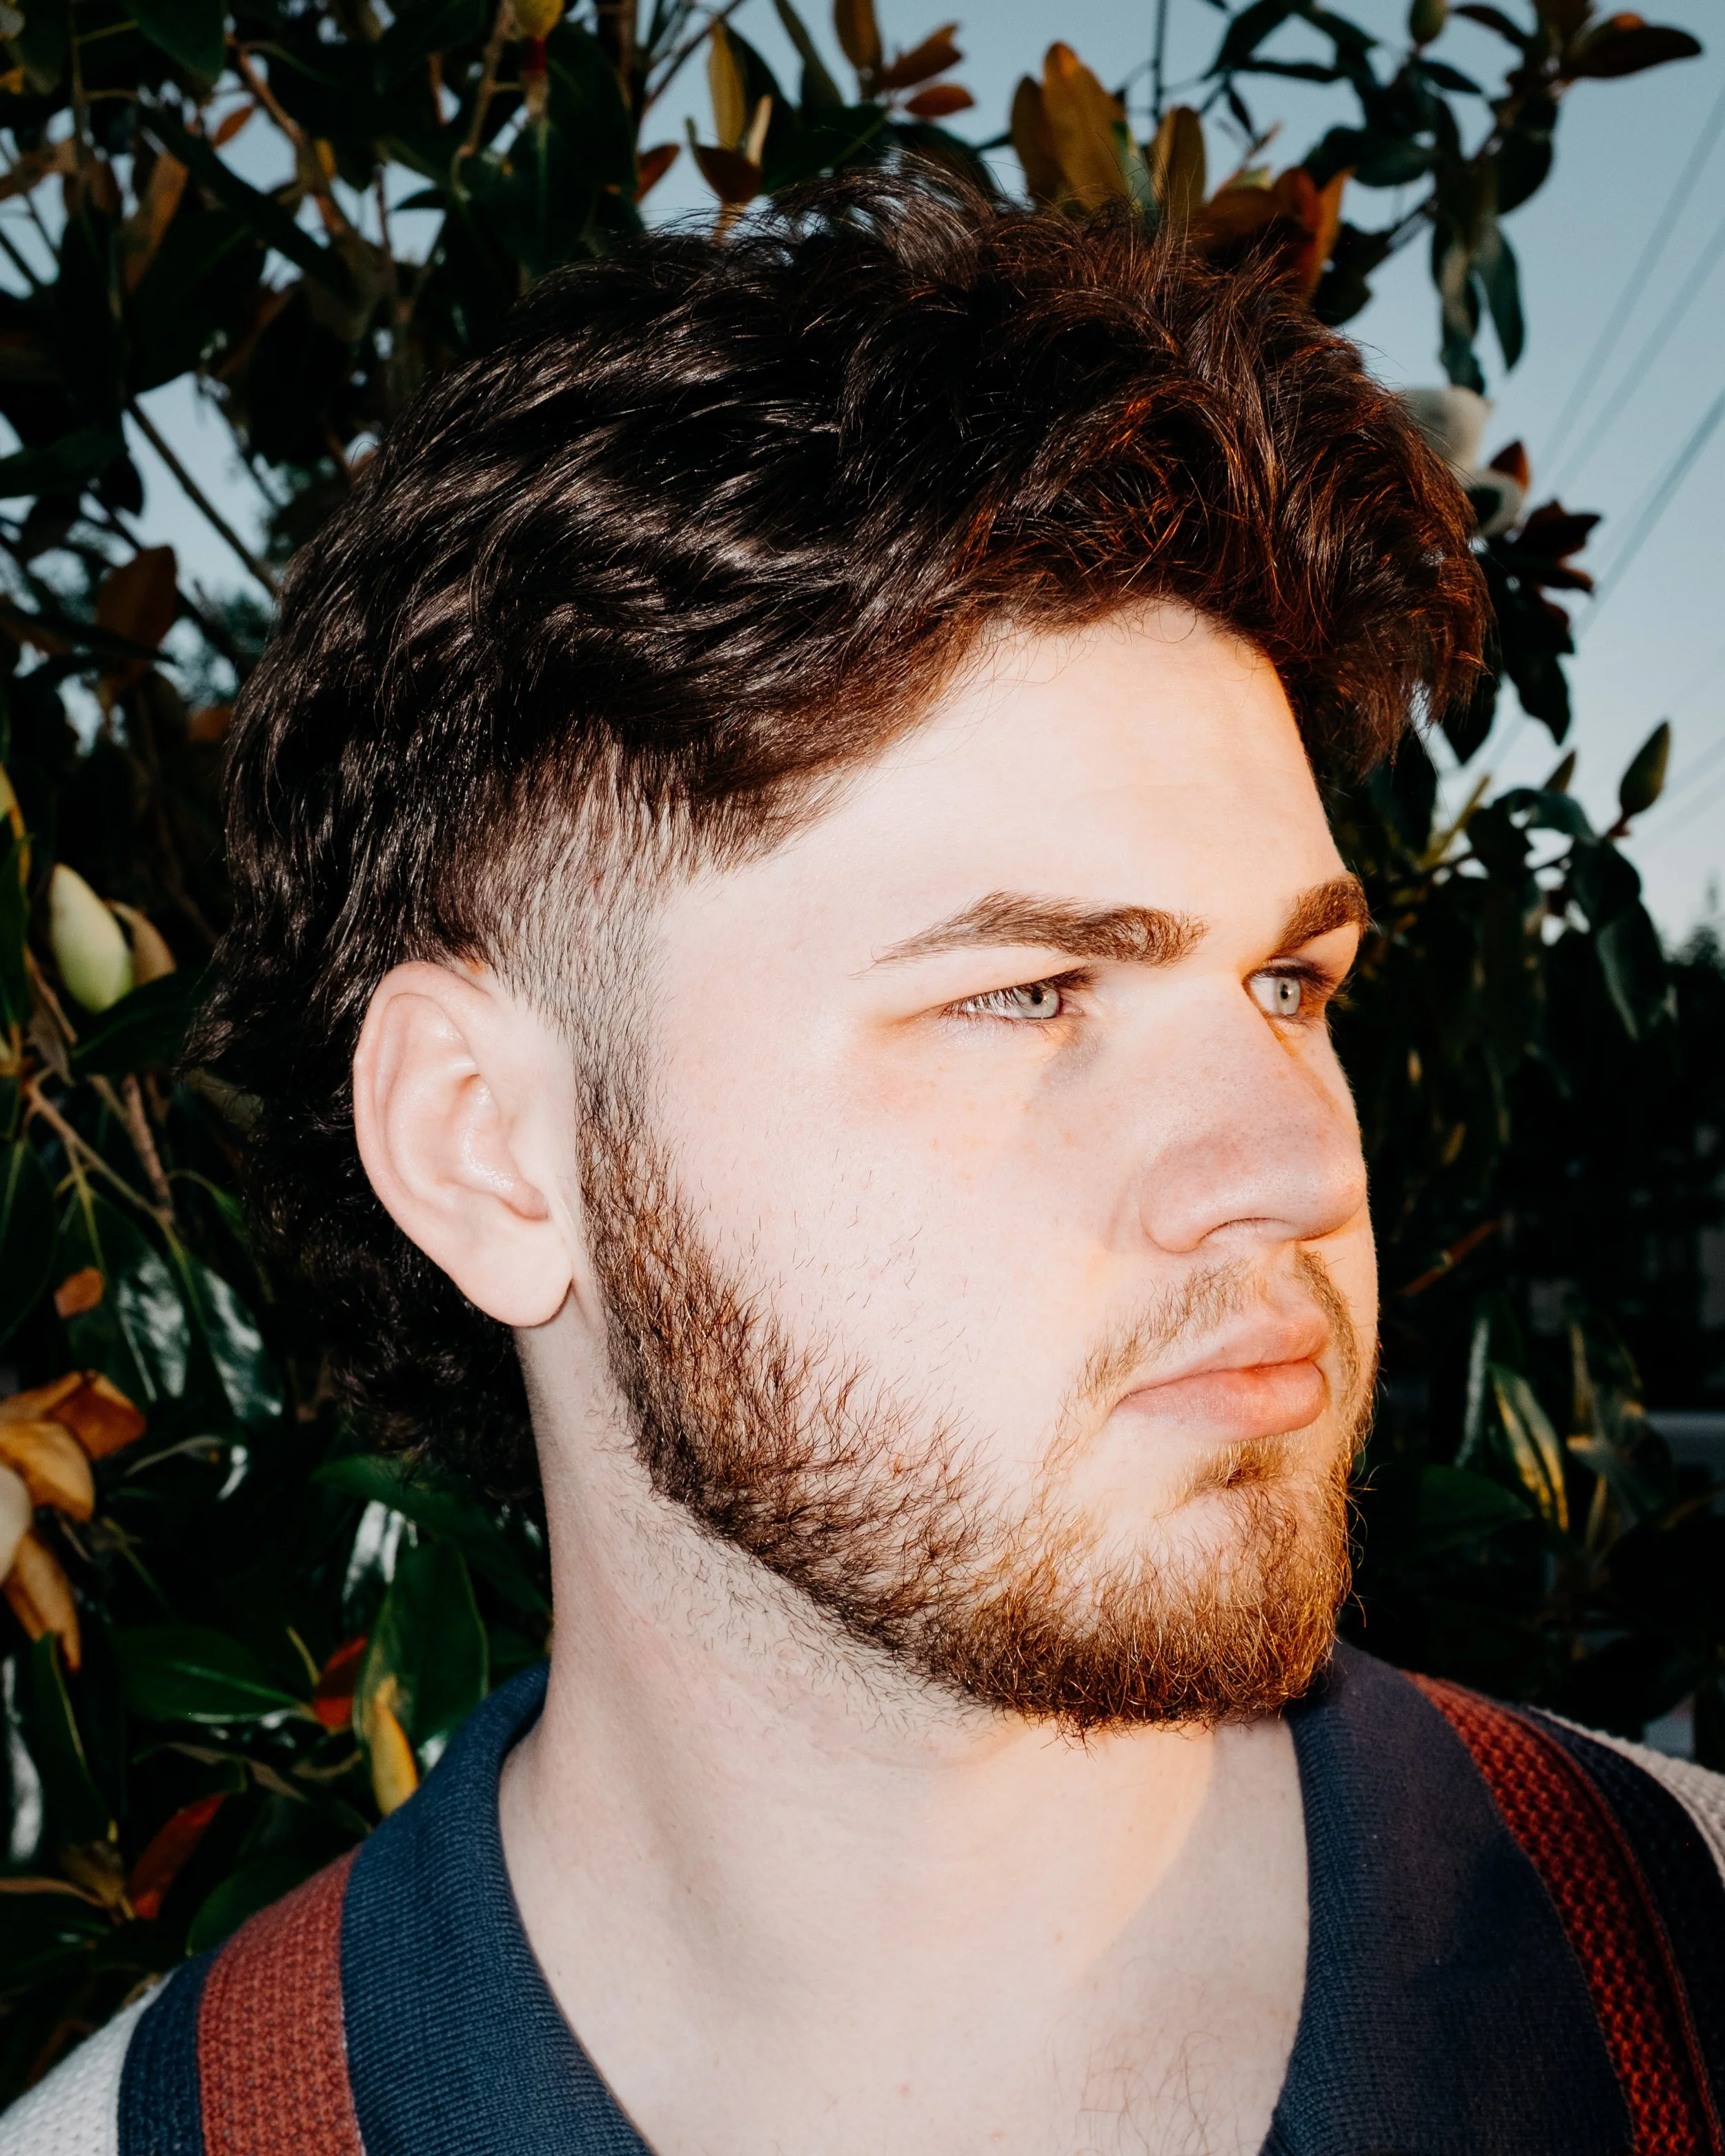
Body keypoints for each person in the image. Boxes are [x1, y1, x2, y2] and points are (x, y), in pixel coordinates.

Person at [6, 170, 1723, 2156]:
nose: (1287, 1164)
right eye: (1027, 993)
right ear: (487, 1150)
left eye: (1286, 979)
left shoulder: (1673, 1965)